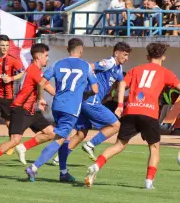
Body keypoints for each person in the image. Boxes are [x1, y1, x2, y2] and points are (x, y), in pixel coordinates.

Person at [85, 43, 180, 189]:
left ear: (147, 57)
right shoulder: (166, 72)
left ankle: (96, 165)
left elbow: (122, 84)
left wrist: (120, 106)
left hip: (131, 111)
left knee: (119, 144)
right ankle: (149, 182)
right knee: (154, 147)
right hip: (149, 113)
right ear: (163, 57)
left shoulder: (135, 70)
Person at [25, 38, 98, 182]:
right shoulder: (86, 66)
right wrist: (84, 94)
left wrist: (41, 98)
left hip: (57, 106)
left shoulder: (58, 64)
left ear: (68, 50)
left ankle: (63, 172)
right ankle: (34, 167)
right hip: (71, 108)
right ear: (81, 50)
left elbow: (41, 82)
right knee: (59, 139)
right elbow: (95, 89)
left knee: (64, 138)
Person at [56, 42, 132, 179]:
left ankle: (59, 159)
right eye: (125, 55)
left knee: (81, 133)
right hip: (91, 101)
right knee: (116, 125)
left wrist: (120, 104)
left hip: (86, 101)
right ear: (116, 53)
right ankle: (91, 144)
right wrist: (86, 85)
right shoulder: (108, 63)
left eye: (128, 56)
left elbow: (121, 83)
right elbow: (89, 67)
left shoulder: (118, 69)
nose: (126, 58)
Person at [0, 44, 56, 169]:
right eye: (46, 56)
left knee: (51, 133)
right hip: (21, 110)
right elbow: (52, 91)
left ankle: (23, 147)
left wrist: (39, 99)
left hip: (31, 110)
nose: (47, 58)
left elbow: (36, 88)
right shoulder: (34, 71)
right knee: (14, 140)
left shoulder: (34, 70)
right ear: (38, 56)